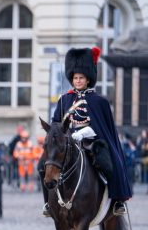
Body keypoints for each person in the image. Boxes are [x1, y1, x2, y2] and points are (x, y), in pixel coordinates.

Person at [44, 47, 132, 216]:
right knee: (44, 165)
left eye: (81, 78)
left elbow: (99, 127)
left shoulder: (99, 101)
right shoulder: (65, 99)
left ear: (88, 79)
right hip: (67, 142)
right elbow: (56, 122)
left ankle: (117, 201)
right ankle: (49, 204)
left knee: (109, 163)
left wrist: (82, 133)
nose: (78, 81)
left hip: (92, 141)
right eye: (75, 78)